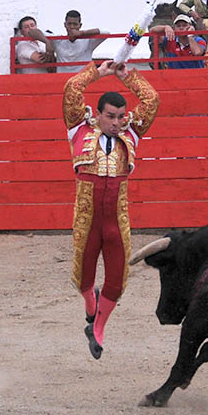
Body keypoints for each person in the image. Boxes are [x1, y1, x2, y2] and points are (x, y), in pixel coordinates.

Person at [62, 60, 160, 359]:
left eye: (120, 117)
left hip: (116, 219)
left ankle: (98, 328)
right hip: (87, 217)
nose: (116, 123)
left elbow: (151, 100)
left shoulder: (132, 134)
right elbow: (71, 88)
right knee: (83, 275)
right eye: (110, 117)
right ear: (99, 115)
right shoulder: (79, 127)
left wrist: (126, 76)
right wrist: (99, 72)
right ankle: (91, 307)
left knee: (117, 279)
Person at [27, 10, 109, 73]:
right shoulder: (58, 39)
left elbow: (106, 32)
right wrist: (47, 42)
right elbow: (32, 31)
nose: (72, 27)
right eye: (69, 24)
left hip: (83, 80)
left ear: (80, 26)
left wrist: (82, 33)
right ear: (65, 25)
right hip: (63, 80)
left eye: (75, 24)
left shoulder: (88, 41)